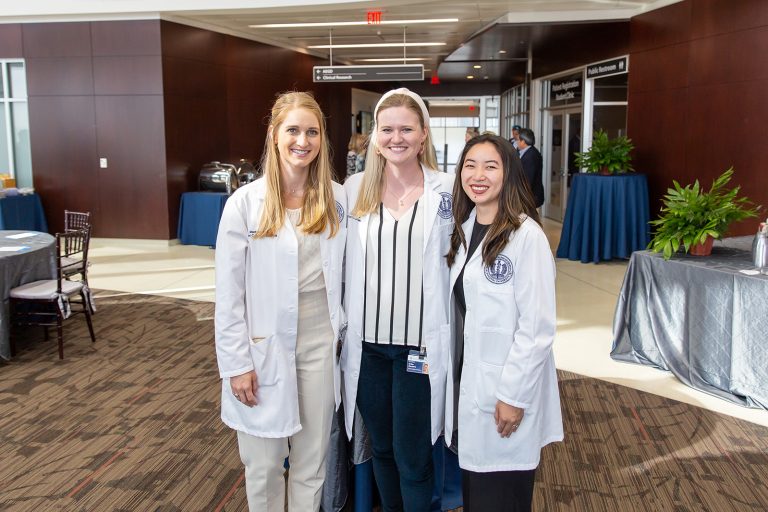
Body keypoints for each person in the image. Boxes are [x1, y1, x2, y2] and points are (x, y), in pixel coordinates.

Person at [214, 91, 347, 512]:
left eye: (312, 131)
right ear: (274, 135)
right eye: (293, 130)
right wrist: (236, 364)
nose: (302, 141)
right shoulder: (244, 205)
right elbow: (228, 295)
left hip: (319, 347)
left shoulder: (337, 200)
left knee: (312, 463)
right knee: (264, 465)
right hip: (261, 349)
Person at [342, 87, 454, 511]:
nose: (396, 137)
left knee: (412, 453)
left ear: (424, 134)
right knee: (382, 449)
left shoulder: (446, 190)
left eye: (406, 128)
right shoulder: (354, 190)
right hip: (368, 348)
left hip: (418, 351)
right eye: (387, 129)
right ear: (374, 135)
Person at [444, 134, 562, 512]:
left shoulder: (526, 237)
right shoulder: (462, 231)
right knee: (476, 495)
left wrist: (513, 395)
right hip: (473, 389)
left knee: (501, 499)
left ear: (508, 173)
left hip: (506, 399)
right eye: (470, 165)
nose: (478, 175)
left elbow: (537, 330)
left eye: (490, 166)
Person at [517, 128, 544, 208]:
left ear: (523, 141)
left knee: (528, 219)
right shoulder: (524, 152)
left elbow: (528, 179)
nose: (517, 142)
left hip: (530, 196)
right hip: (527, 196)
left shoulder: (531, 155)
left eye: (518, 140)